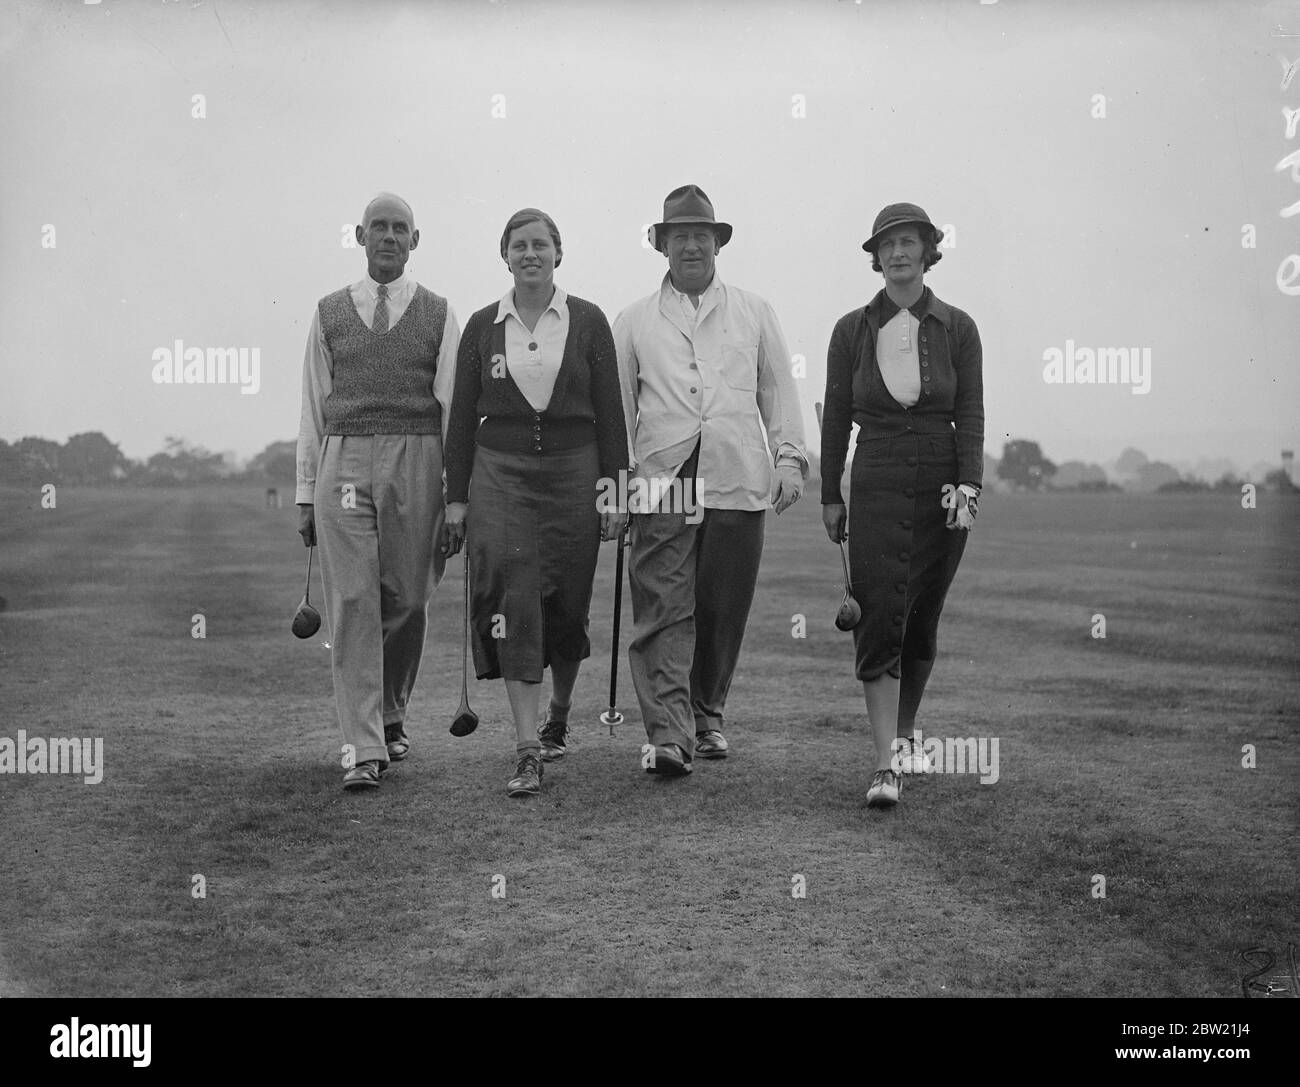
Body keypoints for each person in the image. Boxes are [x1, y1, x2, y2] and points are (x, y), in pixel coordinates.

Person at [613, 184, 809, 777]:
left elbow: (778, 389)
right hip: (661, 478)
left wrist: (790, 458)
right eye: (680, 236)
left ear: (717, 243)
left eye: (702, 235)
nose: (691, 246)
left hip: (736, 470)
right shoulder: (634, 320)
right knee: (662, 606)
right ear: (662, 245)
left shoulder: (754, 310)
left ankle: (707, 716)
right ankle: (668, 736)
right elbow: (621, 411)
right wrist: (620, 489)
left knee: (722, 605)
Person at [443, 209, 629, 798]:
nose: (530, 254)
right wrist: (455, 500)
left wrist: (616, 491)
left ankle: (559, 715)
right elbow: (459, 418)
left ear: (558, 254)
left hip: (576, 473)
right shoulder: (480, 326)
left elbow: (612, 414)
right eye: (519, 245)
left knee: (567, 603)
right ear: (505, 255)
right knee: (515, 600)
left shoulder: (590, 321)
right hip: (500, 474)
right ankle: (527, 750)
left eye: (540, 245)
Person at [819, 202, 984, 809]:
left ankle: (909, 731)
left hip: (944, 480)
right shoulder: (851, 330)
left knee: (922, 615)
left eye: (909, 242)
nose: (898, 253)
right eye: (887, 245)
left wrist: (970, 486)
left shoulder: (959, 328)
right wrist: (830, 493)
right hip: (878, 473)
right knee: (880, 611)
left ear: (927, 249)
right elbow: (836, 416)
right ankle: (885, 765)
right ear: (876, 256)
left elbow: (969, 414)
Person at [295, 192, 461, 791]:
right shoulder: (329, 311)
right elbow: (313, 405)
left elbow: (453, 408)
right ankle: (363, 746)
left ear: (414, 241)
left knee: (408, 599)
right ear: (359, 237)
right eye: (378, 228)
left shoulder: (440, 313)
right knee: (355, 602)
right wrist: (307, 492)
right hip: (343, 459)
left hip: (418, 457)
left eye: (400, 229)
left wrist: (455, 493)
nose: (388, 237)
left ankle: (392, 713)